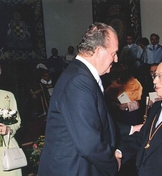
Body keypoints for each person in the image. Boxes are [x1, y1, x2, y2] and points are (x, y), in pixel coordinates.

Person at [38, 22, 120, 176]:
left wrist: (129, 129)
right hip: (73, 169)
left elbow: (96, 121)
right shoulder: (79, 80)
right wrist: (113, 163)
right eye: (113, 53)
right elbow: (88, 144)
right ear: (98, 51)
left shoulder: (81, 74)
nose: (116, 59)